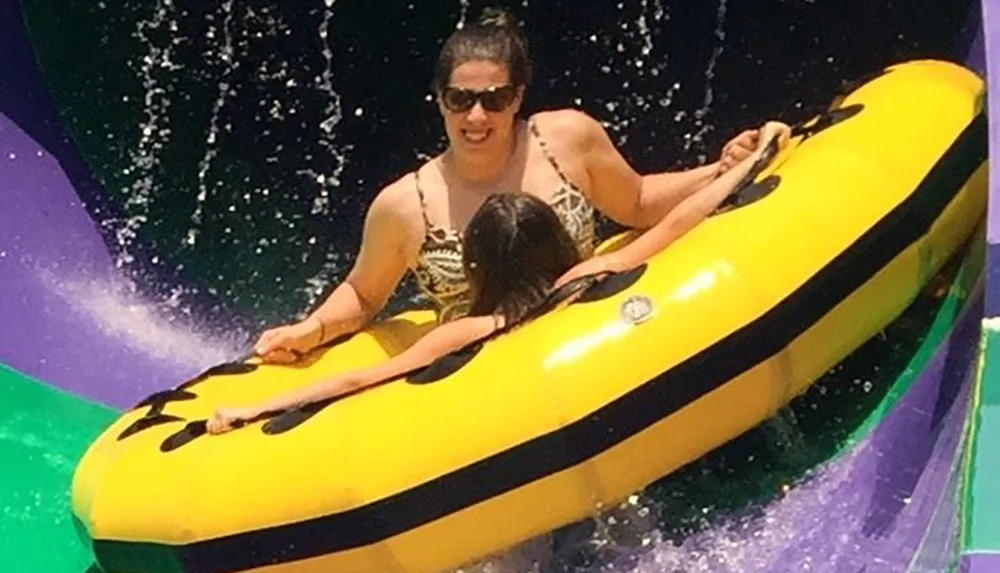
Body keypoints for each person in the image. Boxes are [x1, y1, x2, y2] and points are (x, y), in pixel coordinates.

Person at [252, 7, 763, 365]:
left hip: (598, 341)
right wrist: (311, 331)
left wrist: (721, 169)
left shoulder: (566, 139)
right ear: (439, 99)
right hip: (488, 382)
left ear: (518, 97)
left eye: (494, 100)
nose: (477, 116)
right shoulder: (405, 205)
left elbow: (637, 201)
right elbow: (363, 294)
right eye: (460, 99)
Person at [208, 120, 789, 434]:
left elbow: (363, 380)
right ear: (558, 241)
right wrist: (749, 158)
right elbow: (681, 221)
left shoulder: (469, 331)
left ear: (475, 266)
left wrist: (254, 410)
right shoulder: (588, 276)